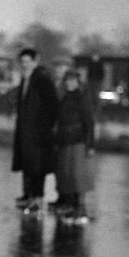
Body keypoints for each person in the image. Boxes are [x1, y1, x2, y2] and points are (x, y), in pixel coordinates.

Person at [11, 47, 59, 213]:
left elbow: (53, 105)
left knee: (38, 166)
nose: (24, 65)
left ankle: (37, 198)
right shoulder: (26, 80)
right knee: (28, 164)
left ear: (35, 62)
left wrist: (44, 126)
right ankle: (28, 196)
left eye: (27, 62)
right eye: (22, 62)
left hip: (38, 132)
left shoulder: (42, 80)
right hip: (26, 131)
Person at [54, 68, 95, 223]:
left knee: (78, 177)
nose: (69, 83)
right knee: (67, 175)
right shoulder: (65, 98)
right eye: (67, 80)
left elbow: (89, 123)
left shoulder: (81, 98)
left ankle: (80, 208)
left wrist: (90, 145)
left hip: (78, 142)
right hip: (65, 141)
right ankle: (71, 207)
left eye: (72, 81)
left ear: (78, 83)